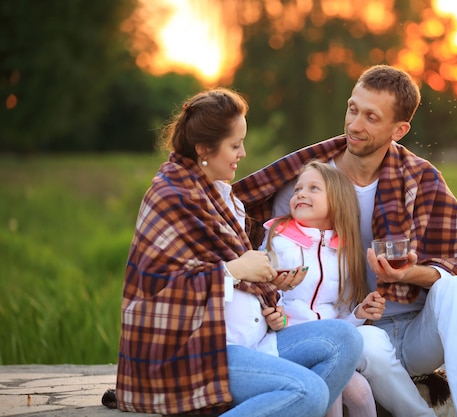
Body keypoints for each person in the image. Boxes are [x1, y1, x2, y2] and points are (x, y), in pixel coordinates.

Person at [233, 65, 457, 417]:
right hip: (354, 330)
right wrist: (276, 281)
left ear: (399, 129)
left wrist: (408, 274)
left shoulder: (421, 181)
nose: (355, 125)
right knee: (366, 342)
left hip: (418, 333)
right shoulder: (310, 182)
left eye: (371, 117)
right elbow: (264, 251)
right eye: (352, 109)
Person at [114, 88, 363, 417]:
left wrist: (269, 290)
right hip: (202, 351)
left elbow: (237, 273)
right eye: (235, 144)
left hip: (256, 342)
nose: (243, 153)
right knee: (309, 390)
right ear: (204, 148)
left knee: (346, 339)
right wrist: (235, 271)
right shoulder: (170, 196)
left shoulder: (222, 196)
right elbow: (157, 293)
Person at [261, 161, 386, 417]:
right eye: (298, 189)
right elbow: (263, 290)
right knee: (333, 389)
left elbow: (341, 319)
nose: (300, 194)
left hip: (331, 344)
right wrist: (274, 315)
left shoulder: (345, 252)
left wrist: (359, 314)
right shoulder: (278, 237)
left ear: (336, 201)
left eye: (313, 188)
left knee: (361, 392)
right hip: (288, 341)